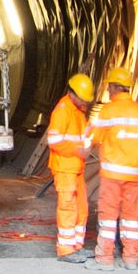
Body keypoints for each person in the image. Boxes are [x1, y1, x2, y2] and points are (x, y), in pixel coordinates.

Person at [87, 66, 138, 270]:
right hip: (134, 175)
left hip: (112, 173)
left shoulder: (108, 111)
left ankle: (105, 259)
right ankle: (131, 258)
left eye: (109, 86)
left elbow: (95, 137)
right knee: (131, 217)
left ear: (115, 87)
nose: (108, 90)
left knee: (108, 217)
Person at [45, 73, 96, 263]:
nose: (86, 102)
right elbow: (54, 140)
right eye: (83, 98)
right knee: (68, 208)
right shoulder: (63, 110)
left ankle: (77, 246)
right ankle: (66, 250)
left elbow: (80, 136)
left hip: (76, 168)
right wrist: (78, 150)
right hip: (65, 168)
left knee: (81, 208)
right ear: (73, 94)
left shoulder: (77, 111)